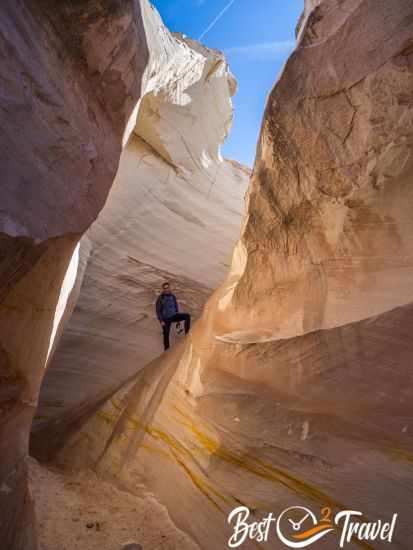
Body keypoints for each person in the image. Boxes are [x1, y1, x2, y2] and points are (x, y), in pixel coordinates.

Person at [155, 282, 191, 350]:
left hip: (174, 316)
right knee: (166, 335)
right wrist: (161, 321)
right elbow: (158, 311)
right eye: (165, 288)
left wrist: (177, 312)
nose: (167, 289)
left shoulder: (172, 296)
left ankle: (187, 335)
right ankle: (166, 351)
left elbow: (175, 304)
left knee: (187, 316)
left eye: (168, 288)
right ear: (163, 289)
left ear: (170, 288)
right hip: (166, 319)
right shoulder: (160, 298)